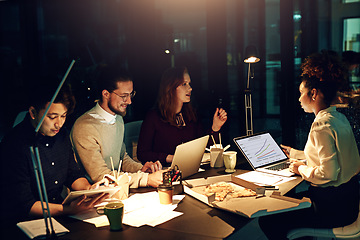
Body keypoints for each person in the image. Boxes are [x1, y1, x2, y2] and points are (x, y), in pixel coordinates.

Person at [259, 50, 360, 240]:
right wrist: (297, 154)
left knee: (267, 220)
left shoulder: (320, 125)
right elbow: (334, 158)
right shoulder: (338, 118)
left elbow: (328, 173)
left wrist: (301, 170)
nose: (298, 99)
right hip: (349, 202)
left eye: (300, 93)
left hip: (330, 208)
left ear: (313, 94)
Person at [0, 81, 108, 228]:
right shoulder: (15, 144)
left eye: (63, 116)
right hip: (24, 223)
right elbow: (25, 204)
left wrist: (90, 190)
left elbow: (73, 175)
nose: (59, 124)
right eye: (52, 117)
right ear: (32, 113)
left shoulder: (61, 134)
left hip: (60, 216)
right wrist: (68, 209)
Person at [71, 66, 164, 188]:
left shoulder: (118, 119)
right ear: (106, 94)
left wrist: (142, 169)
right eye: (124, 96)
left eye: (131, 94)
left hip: (117, 189)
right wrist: (145, 179)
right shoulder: (85, 127)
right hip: (95, 195)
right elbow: (101, 176)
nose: (129, 101)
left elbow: (122, 159)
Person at [137, 66, 228, 167]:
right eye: (184, 84)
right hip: (165, 173)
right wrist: (170, 157)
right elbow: (142, 154)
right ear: (170, 88)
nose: (190, 88)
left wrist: (215, 127)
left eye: (189, 83)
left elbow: (204, 148)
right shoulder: (153, 117)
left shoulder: (190, 115)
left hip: (191, 170)